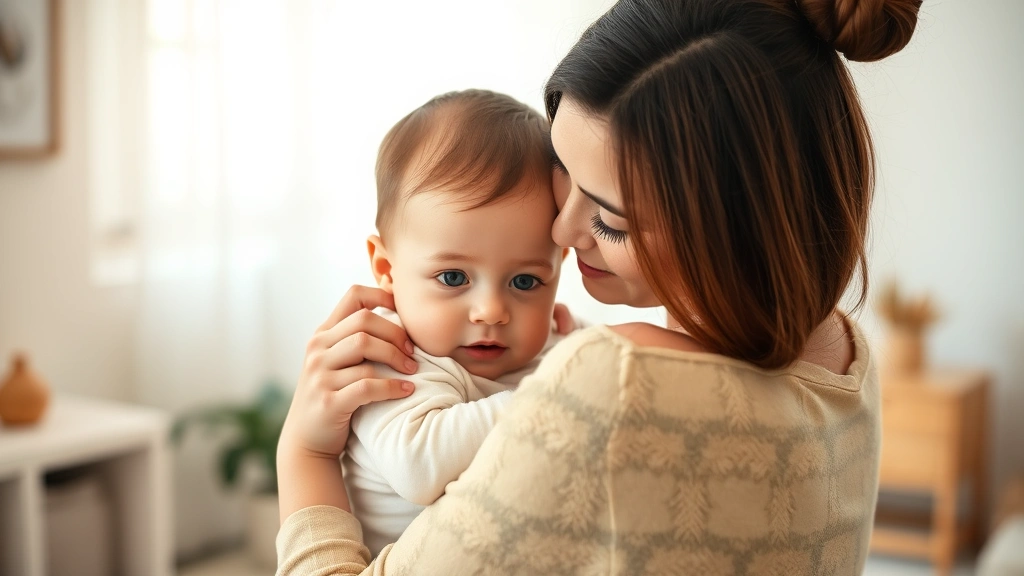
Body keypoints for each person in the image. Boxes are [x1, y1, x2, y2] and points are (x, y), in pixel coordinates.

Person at [276, 0, 923, 573]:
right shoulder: (845, 353)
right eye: (565, 178)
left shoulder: (609, 384)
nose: (560, 231)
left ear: (728, 223)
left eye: (608, 219)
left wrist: (302, 454)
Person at [344, 89, 573, 556]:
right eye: (453, 277)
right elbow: (417, 464)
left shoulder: (557, 343)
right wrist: (570, 390)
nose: (490, 310)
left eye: (526, 282)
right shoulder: (392, 355)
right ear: (387, 270)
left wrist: (579, 353)